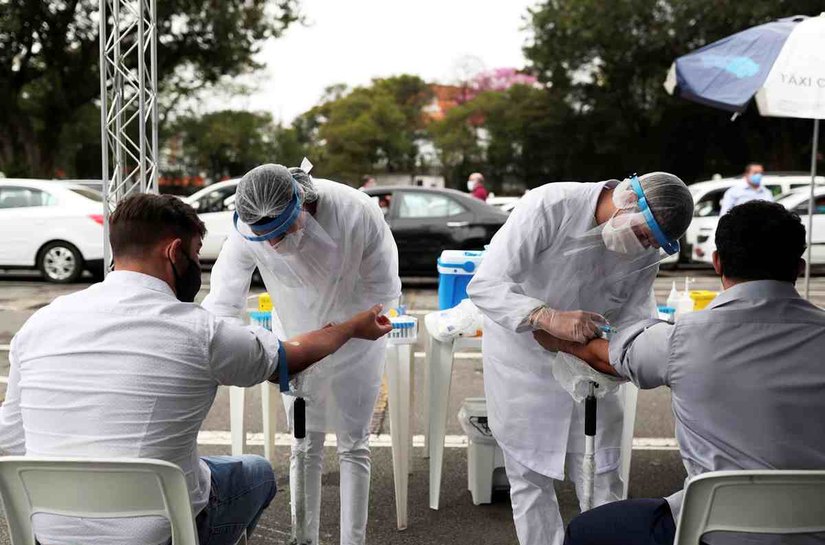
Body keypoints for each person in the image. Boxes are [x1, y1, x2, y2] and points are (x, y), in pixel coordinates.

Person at [0, 193, 393, 545]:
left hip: (49, 529)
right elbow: (290, 356)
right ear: (174, 253)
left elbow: (11, 442)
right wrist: (352, 327)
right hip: (158, 530)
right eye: (195, 253)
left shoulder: (38, 325)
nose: (198, 266)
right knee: (255, 473)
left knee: (202, 468)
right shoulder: (199, 330)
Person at [534, 201, 825, 545]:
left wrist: (548, 329)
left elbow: (604, 357)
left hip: (714, 531)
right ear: (798, 268)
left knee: (587, 530)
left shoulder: (682, 338)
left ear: (717, 263)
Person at [467, 172, 694, 545]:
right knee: (528, 479)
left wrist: (630, 351)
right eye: (640, 235)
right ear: (626, 198)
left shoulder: (646, 256)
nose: (640, 248)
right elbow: (486, 283)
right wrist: (546, 317)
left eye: (651, 243)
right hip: (522, 360)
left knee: (603, 471)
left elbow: (637, 315)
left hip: (591, 368)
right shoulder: (549, 205)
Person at [203, 163, 401, 545]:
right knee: (303, 443)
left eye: (280, 235)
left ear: (302, 207)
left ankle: (352, 540)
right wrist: (211, 349)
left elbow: (383, 289)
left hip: (358, 338)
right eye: (266, 240)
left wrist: (345, 330)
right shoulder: (245, 231)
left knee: (353, 443)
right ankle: (303, 536)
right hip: (294, 340)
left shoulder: (355, 211)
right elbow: (222, 302)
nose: (273, 246)